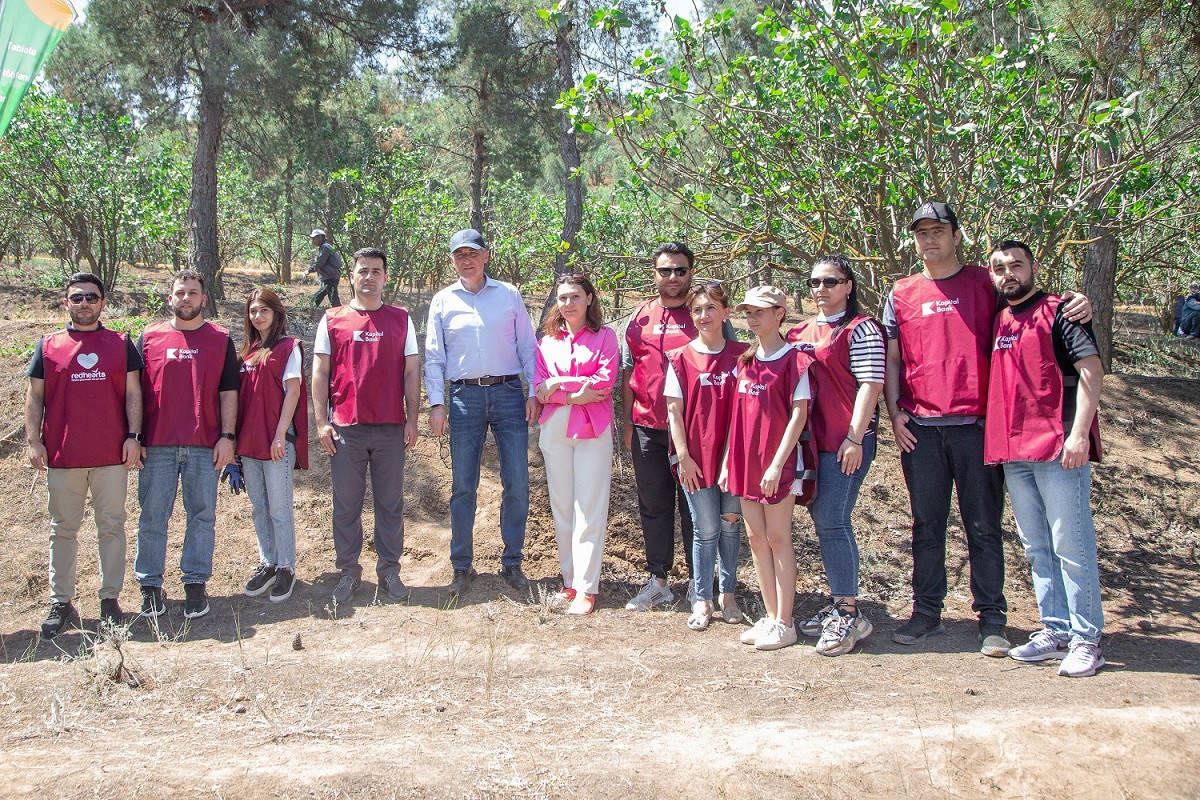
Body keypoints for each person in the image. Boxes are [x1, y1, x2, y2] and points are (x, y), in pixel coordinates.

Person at [883, 201, 1091, 656]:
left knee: (983, 526)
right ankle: (926, 614)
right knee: (926, 524)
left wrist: (1076, 302)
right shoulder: (900, 292)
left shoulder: (987, 282)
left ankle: (992, 619)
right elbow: (893, 359)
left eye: (939, 230)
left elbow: (1030, 305)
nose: (930, 239)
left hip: (978, 426)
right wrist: (895, 412)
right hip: (921, 427)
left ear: (956, 236)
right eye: (921, 232)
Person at [985, 240, 1107, 677]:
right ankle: (1054, 630)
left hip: (1058, 449)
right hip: (1013, 450)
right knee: (1037, 547)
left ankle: (1087, 639)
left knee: (1071, 545)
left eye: (1017, 265)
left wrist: (1079, 435)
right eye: (1000, 268)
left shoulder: (1062, 311)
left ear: (1034, 267)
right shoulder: (997, 318)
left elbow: (1091, 369)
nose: (1009, 274)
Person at [25, 273, 144, 637]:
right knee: (62, 530)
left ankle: (110, 599)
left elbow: (133, 394)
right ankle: (61, 601)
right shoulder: (48, 345)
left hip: (111, 454)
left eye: (91, 297)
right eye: (77, 298)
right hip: (63, 455)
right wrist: (34, 442)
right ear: (67, 303)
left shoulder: (121, 343)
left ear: (103, 302)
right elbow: (35, 397)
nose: (84, 304)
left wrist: (134, 437)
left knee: (112, 526)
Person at [424, 228, 539, 597]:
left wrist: (533, 391)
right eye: (459, 255)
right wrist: (437, 403)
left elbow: (528, 347)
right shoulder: (442, 301)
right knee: (463, 486)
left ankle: (513, 563)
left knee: (517, 483)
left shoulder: (508, 295)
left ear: (486, 256)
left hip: (507, 394)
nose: (466, 260)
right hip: (463, 399)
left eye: (472, 253)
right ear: (453, 260)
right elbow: (433, 356)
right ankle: (462, 566)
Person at [786, 255, 885, 656]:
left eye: (831, 281)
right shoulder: (799, 331)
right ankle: (838, 602)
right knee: (822, 518)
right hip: (810, 443)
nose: (821, 289)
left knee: (832, 519)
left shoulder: (862, 329)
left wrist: (855, 437)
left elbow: (871, 385)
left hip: (844, 443)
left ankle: (849, 612)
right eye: (814, 282)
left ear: (848, 286)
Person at [312, 247, 420, 606]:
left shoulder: (401, 319)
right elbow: (320, 372)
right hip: (346, 429)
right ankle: (348, 572)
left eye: (376, 271)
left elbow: (411, 371)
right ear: (352, 276)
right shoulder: (332, 319)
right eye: (363, 271)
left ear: (385, 277)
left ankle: (389, 570)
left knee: (390, 504)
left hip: (390, 427)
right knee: (346, 504)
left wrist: (412, 420)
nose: (369, 277)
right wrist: (321, 422)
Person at [621, 242, 722, 612]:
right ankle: (658, 580)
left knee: (695, 507)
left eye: (680, 270)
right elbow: (629, 371)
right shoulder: (640, 317)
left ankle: (700, 583)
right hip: (648, 425)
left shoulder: (704, 314)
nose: (673, 277)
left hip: (695, 430)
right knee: (653, 505)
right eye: (666, 270)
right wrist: (627, 421)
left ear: (691, 272)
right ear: (655, 274)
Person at [136, 269, 241, 620]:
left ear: (203, 300)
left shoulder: (220, 339)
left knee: (202, 517)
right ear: (170, 298)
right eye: (180, 292)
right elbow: (133, 393)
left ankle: (195, 584)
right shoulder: (149, 338)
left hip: (203, 444)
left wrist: (228, 437)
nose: (186, 298)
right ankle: (150, 586)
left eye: (193, 293)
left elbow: (229, 392)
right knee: (153, 516)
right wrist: (134, 438)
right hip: (158, 445)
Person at [722, 285, 815, 651]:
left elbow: (798, 415)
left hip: (778, 462)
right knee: (757, 540)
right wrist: (731, 460)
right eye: (748, 311)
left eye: (760, 311)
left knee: (778, 538)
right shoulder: (745, 361)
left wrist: (778, 464)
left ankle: (785, 622)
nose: (752, 317)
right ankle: (770, 614)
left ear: (780, 313)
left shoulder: (796, 360)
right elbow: (736, 416)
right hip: (745, 461)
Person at [664, 282, 748, 631]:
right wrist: (683, 456)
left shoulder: (744, 354)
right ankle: (702, 597)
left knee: (730, 523)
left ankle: (728, 594)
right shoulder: (681, 357)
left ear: (726, 312)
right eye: (697, 309)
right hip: (696, 458)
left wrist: (738, 458)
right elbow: (673, 410)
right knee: (706, 528)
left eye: (711, 308)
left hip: (736, 459)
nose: (703, 315)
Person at [534, 274, 618, 616]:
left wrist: (558, 386)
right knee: (562, 506)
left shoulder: (605, 337)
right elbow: (540, 387)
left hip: (593, 428)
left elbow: (603, 383)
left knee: (589, 507)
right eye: (562, 297)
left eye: (575, 297)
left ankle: (587, 587)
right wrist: (571, 392)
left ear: (589, 299)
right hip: (555, 427)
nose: (568, 304)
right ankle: (569, 582)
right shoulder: (546, 342)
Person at [236, 288, 310, 604]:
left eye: (264, 310)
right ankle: (268, 562)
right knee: (259, 507)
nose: (258, 316)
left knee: (280, 509)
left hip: (276, 441)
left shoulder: (288, 348)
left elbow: (292, 393)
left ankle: (286, 568)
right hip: (249, 442)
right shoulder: (248, 352)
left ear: (276, 312)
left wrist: (281, 434)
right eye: (253, 311)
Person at [306, 229, 342, 308]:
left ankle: (340, 315)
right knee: (325, 295)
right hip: (331, 276)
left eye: (314, 238)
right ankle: (312, 309)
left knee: (333, 298)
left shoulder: (325, 247)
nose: (313, 241)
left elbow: (320, 262)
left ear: (320, 237)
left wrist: (309, 270)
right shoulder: (326, 246)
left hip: (330, 277)